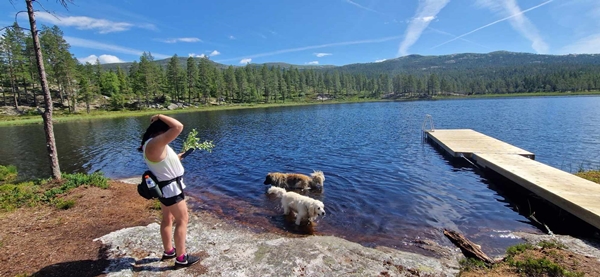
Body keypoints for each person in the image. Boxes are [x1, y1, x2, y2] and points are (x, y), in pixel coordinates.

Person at [138, 114, 200, 269]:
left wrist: (176, 158)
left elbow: (161, 162)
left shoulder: (152, 144)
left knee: (167, 219)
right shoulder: (154, 144)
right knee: (182, 220)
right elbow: (178, 126)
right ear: (159, 132)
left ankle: (169, 251)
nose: (169, 135)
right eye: (166, 132)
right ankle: (181, 258)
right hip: (172, 190)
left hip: (165, 189)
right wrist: (158, 115)